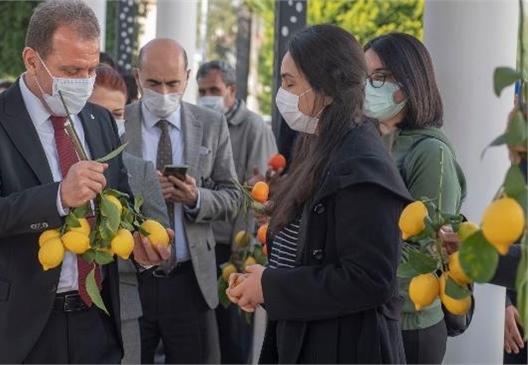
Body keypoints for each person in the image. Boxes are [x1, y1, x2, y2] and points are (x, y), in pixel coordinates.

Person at [0, 1, 170, 363]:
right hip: (10, 329)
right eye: (70, 70)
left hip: (94, 321)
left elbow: (117, 202)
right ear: (31, 60)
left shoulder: (99, 120)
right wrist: (59, 197)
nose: (82, 81)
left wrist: (138, 241)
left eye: (90, 69)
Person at [225, 24, 412, 364]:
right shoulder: (321, 146)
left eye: (289, 82)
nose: (282, 93)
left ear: (325, 87)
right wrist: (265, 282)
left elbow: (370, 278)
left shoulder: (362, 166)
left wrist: (272, 286)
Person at [123, 38, 239, 364]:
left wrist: (195, 197)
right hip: (131, 277)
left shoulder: (211, 125)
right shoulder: (118, 122)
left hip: (190, 280)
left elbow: (232, 194)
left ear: (187, 77)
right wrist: (143, 195)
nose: (163, 93)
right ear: (137, 78)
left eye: (173, 83)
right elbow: (103, 193)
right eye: (153, 83)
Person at [362, 32, 467, 364]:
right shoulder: (375, 141)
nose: (370, 87)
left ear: (409, 80)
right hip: (374, 313)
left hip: (410, 324)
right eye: (366, 78)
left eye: (380, 77)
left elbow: (428, 251)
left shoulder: (430, 152)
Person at [196, 59, 277, 363]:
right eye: (202, 90)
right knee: (209, 336)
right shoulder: (201, 122)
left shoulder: (254, 127)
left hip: (236, 249)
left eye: (214, 89)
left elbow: (257, 196)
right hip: (204, 243)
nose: (207, 96)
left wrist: (240, 251)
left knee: (234, 336)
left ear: (231, 90)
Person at [89, 64, 170, 364]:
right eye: (98, 113)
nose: (109, 124)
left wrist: (152, 250)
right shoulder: (56, 170)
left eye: (118, 114)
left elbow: (162, 241)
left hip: (122, 313)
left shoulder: (140, 170)